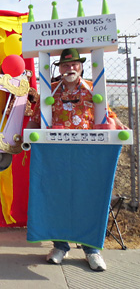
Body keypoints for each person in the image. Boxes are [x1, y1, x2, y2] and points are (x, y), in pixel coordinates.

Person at [27, 48, 127, 271]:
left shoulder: (93, 89)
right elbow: (35, 120)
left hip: (87, 155)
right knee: (57, 198)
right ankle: (60, 246)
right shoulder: (49, 91)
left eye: (74, 64)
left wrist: (120, 127)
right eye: (65, 65)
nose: (69, 68)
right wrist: (22, 138)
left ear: (81, 66)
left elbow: (108, 115)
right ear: (59, 68)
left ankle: (91, 250)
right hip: (56, 156)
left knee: (88, 197)